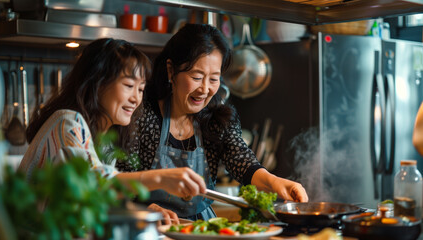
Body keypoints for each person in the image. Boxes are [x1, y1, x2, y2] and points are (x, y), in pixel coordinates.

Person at [116, 24, 308, 222]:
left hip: (202, 226)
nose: (205, 89)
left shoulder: (218, 119)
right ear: (171, 71)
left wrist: (276, 182)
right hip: (149, 224)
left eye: (214, 79)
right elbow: (121, 179)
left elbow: (242, 161)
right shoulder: (142, 116)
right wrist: (144, 208)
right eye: (196, 77)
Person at [18, 38, 207, 224]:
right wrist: (159, 177)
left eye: (140, 89)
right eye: (128, 86)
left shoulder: (106, 141)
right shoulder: (67, 122)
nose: (136, 98)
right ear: (97, 84)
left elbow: (96, 202)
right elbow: (94, 181)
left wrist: (140, 211)